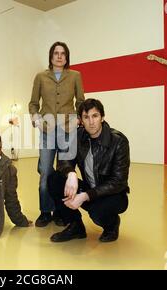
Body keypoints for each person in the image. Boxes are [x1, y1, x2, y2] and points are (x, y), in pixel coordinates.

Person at [48, 98, 130, 243]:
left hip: (113, 194)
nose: (91, 122)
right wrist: (71, 173)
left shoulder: (118, 141)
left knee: (97, 211)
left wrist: (86, 196)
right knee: (54, 179)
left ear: (102, 117)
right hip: (90, 189)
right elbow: (63, 160)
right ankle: (75, 226)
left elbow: (118, 181)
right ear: (81, 120)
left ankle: (111, 225)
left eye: (95, 116)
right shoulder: (78, 136)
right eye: (86, 117)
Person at [28, 41, 85, 227]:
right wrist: (36, 118)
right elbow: (33, 103)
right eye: (56, 53)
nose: (59, 56)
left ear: (67, 57)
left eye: (63, 53)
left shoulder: (75, 76)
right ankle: (45, 211)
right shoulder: (40, 77)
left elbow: (81, 101)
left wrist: (78, 119)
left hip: (68, 130)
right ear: (51, 56)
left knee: (64, 172)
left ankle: (61, 212)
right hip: (47, 130)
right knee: (45, 171)